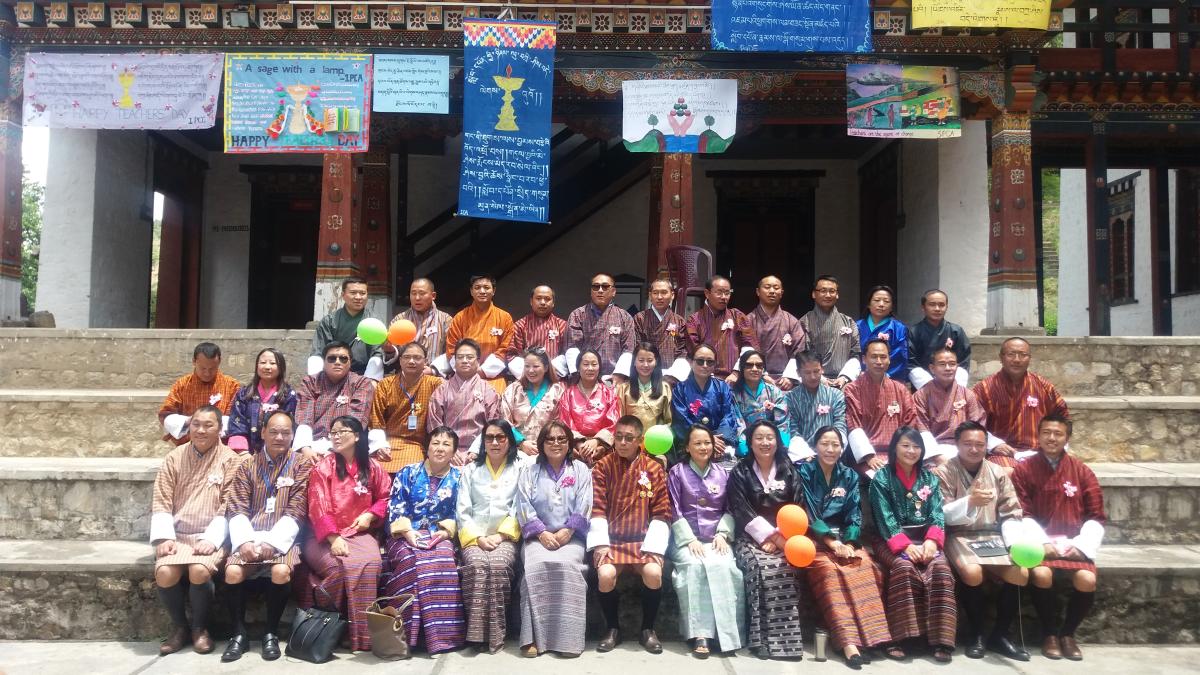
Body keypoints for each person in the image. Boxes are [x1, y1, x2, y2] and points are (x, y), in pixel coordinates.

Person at [933, 421, 1031, 662]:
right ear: (956, 444)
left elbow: (1011, 511)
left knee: (1021, 573)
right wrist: (969, 502)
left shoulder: (998, 473)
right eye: (968, 444)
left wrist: (1013, 543)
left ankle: (1000, 635)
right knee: (972, 573)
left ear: (987, 446)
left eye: (980, 444)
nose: (974, 449)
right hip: (959, 534)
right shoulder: (944, 472)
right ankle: (976, 633)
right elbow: (939, 512)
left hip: (992, 535)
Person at [1011, 415, 1106, 662]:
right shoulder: (1023, 470)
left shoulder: (1082, 471)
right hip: (1041, 541)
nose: (1051, 438)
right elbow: (1023, 511)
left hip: (1074, 542)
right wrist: (1042, 543)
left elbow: (1096, 515)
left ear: (1067, 438)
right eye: (1046, 433)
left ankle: (1068, 634)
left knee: (1086, 579)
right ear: (1038, 435)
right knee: (1042, 575)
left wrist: (1082, 547)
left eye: (1058, 434)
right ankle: (1050, 633)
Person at [221, 410, 313, 662]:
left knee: (281, 572)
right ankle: (238, 633)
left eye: (285, 432)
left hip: (284, 537)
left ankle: (270, 632)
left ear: (293, 435)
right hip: (250, 534)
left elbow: (298, 508)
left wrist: (274, 543)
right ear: (262, 433)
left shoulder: (301, 465)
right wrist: (244, 541)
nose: (279, 437)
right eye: (273, 431)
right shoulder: (247, 465)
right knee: (232, 572)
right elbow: (236, 506)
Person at [797, 426, 892, 669]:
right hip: (815, 539)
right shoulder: (804, 472)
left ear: (842, 448)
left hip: (843, 539)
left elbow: (854, 514)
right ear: (815, 446)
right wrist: (832, 542)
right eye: (824, 444)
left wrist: (849, 542)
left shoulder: (849, 475)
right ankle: (848, 642)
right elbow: (808, 512)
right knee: (830, 573)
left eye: (835, 444)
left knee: (865, 566)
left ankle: (872, 637)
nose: (830, 449)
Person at [150, 405, 240, 656]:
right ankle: (179, 627)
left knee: (199, 571)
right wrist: (164, 537)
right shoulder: (174, 457)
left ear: (220, 430)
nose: (201, 430)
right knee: (165, 573)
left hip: (210, 536)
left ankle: (200, 628)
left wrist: (212, 539)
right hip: (178, 535)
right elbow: (162, 498)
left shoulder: (231, 459)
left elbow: (229, 505)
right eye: (196, 424)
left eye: (208, 425)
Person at [298, 415, 391, 652]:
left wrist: (370, 515)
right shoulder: (323, 467)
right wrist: (333, 537)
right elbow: (318, 507)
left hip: (359, 533)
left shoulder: (373, 467)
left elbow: (385, 497)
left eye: (343, 431)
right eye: (334, 432)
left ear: (357, 436)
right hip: (323, 536)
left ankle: (360, 634)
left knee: (371, 563)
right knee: (339, 568)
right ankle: (331, 627)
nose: (337, 436)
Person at [868, 427, 956, 662]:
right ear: (895, 447)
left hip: (925, 538)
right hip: (890, 539)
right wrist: (905, 546)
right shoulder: (882, 478)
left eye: (916, 446)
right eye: (905, 445)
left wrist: (931, 541)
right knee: (904, 568)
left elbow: (937, 513)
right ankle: (901, 636)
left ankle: (940, 639)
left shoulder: (930, 479)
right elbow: (884, 518)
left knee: (940, 568)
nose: (911, 451)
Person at [587, 416, 672, 654]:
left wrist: (654, 547)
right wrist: (601, 545)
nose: (623, 443)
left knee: (654, 573)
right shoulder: (602, 466)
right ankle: (613, 629)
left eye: (629, 438)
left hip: (643, 541)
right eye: (619, 437)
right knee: (605, 575)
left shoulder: (654, 468)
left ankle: (648, 629)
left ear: (640, 441)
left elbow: (662, 510)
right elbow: (597, 507)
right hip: (612, 541)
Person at [726, 420, 806, 659]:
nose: (765, 442)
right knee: (759, 568)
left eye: (769, 437)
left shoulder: (788, 469)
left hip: (785, 538)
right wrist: (768, 536)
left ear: (777, 441)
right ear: (749, 442)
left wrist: (780, 538)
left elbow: (798, 506)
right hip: (750, 538)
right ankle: (759, 641)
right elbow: (740, 509)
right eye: (758, 438)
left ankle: (787, 643)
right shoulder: (740, 471)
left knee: (784, 569)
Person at [383, 426, 466, 654]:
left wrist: (447, 532)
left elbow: (462, 511)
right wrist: (407, 533)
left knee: (444, 561)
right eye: (435, 443)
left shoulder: (460, 478)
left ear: (454, 451)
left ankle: (442, 637)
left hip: (439, 535)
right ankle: (407, 634)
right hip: (404, 534)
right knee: (411, 561)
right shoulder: (407, 472)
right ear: (427, 447)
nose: (440, 448)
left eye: (446, 444)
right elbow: (395, 506)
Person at [514, 421, 593, 658]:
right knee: (535, 568)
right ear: (541, 444)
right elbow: (522, 504)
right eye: (550, 439)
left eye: (561, 439)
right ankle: (532, 638)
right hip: (538, 538)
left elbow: (585, 503)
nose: (556, 443)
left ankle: (567, 639)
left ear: (569, 443)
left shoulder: (580, 469)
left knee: (568, 567)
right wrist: (541, 532)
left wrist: (568, 531)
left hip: (571, 538)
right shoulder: (530, 470)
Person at [667, 425, 745, 657]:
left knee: (724, 566)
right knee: (693, 567)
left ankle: (725, 635)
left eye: (707, 442)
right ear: (687, 447)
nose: (703, 447)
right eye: (697, 443)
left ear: (714, 446)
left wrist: (722, 534)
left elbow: (731, 507)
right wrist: (688, 539)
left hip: (716, 538)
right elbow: (673, 508)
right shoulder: (677, 472)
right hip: (687, 540)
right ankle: (700, 634)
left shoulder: (723, 473)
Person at [456, 420, 523, 653]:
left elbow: (519, 506)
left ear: (509, 441)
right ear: (483, 442)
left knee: (497, 565)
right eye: (489, 437)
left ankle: (496, 634)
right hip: (476, 536)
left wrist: (502, 535)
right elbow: (462, 509)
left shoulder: (521, 467)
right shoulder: (471, 469)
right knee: (476, 564)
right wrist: (477, 537)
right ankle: (475, 635)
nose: (495, 442)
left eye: (501, 437)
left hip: (504, 537)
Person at [973, 337, 1070, 469]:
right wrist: (994, 445)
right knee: (1008, 473)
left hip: (1040, 451)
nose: (1017, 360)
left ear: (1029, 358)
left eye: (1023, 355)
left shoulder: (1043, 386)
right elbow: (973, 424)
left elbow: (1062, 416)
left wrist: (1057, 443)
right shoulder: (984, 388)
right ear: (1001, 358)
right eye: (1011, 354)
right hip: (1003, 454)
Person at [845, 339, 918, 475]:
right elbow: (853, 425)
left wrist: (901, 453)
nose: (879, 361)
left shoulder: (900, 389)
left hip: (897, 453)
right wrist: (869, 456)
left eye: (883, 357)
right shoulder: (852, 389)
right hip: (868, 455)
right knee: (881, 479)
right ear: (864, 359)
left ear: (889, 360)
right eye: (874, 357)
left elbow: (910, 423)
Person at [369, 342, 443, 473]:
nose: (412, 361)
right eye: (407, 357)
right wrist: (379, 445)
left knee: (410, 473)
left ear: (425, 361)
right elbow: (376, 419)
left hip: (416, 444)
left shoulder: (435, 384)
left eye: (417, 357)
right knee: (376, 473)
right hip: (388, 442)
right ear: (400, 360)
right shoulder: (386, 384)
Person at [426, 338, 501, 464]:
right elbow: (434, 423)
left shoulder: (488, 390)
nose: (465, 361)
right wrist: (448, 449)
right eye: (460, 357)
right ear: (454, 361)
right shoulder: (442, 389)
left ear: (478, 361)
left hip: (479, 451)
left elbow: (493, 425)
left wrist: (477, 450)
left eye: (469, 357)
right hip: (445, 451)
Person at [295, 341, 376, 455]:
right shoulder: (310, 382)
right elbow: (304, 417)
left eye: (343, 359)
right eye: (332, 358)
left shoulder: (361, 383)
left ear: (350, 362)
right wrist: (305, 448)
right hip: (312, 444)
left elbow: (356, 420)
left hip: (347, 448)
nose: (337, 362)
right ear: (324, 361)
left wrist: (335, 450)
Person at [158, 342, 240, 446]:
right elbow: (165, 414)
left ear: (219, 362)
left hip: (220, 446)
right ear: (194, 361)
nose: (207, 373)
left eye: (212, 369)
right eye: (203, 368)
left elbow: (235, 418)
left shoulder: (232, 386)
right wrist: (189, 421)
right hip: (188, 445)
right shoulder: (182, 385)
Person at [914, 348, 986, 465]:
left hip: (964, 450)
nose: (948, 368)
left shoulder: (967, 394)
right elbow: (921, 429)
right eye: (942, 364)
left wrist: (968, 452)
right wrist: (936, 456)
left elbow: (977, 426)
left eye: (952, 364)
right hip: (933, 453)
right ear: (932, 368)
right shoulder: (921, 395)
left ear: (957, 366)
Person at [444, 275, 514, 394]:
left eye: (486, 287)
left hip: (493, 376)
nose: (482, 291)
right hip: (464, 374)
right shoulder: (460, 317)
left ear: (494, 291)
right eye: (477, 287)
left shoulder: (504, 317)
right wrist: (467, 371)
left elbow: (505, 349)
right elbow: (452, 348)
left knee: (495, 399)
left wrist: (483, 371)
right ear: (471, 291)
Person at [670, 345, 739, 465]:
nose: (705, 365)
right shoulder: (680, 390)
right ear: (691, 362)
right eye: (700, 361)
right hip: (691, 445)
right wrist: (708, 440)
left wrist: (718, 441)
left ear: (715, 364)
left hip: (720, 445)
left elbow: (729, 416)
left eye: (710, 362)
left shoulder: (723, 387)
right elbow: (681, 420)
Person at [684, 275, 759, 381]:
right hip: (704, 379)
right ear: (707, 293)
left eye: (727, 293)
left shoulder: (737, 316)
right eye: (719, 292)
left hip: (734, 379)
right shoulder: (694, 320)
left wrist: (736, 372)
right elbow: (694, 351)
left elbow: (749, 346)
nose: (724, 297)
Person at [308, 277, 384, 380]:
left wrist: (370, 381)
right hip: (334, 375)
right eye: (353, 293)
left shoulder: (375, 322)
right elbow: (318, 352)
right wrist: (315, 380)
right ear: (343, 295)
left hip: (363, 375)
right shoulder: (329, 321)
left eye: (362, 293)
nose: (358, 297)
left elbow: (378, 353)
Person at [565, 273, 636, 382]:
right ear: (591, 291)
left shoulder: (625, 317)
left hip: (614, 378)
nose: (600, 290)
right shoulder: (577, 315)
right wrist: (579, 375)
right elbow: (573, 347)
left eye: (605, 286)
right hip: (584, 378)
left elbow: (628, 349)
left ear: (613, 292)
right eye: (596, 287)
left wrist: (619, 374)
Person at [227, 348, 298, 454]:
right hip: (246, 454)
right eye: (263, 363)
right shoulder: (244, 394)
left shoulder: (288, 395)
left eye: (273, 363)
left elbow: (289, 427)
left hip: (279, 453)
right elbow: (237, 424)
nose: (267, 367)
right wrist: (243, 453)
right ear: (257, 366)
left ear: (281, 367)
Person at [501, 347, 566, 464]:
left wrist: (546, 444)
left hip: (549, 448)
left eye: (535, 366)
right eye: (527, 366)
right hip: (517, 448)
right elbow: (504, 421)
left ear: (546, 367)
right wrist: (521, 442)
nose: (531, 371)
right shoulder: (513, 389)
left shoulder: (557, 390)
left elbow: (561, 423)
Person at [557, 349, 620, 466]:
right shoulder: (568, 394)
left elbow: (613, 423)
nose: (590, 368)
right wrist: (580, 444)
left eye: (594, 364)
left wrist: (597, 442)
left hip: (603, 450)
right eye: (585, 364)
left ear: (599, 367)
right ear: (578, 367)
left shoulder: (609, 393)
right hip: (575, 450)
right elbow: (564, 423)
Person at [797, 275, 861, 388]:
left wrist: (844, 377)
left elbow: (855, 355)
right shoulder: (804, 322)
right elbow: (802, 356)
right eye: (823, 291)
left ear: (837, 295)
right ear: (813, 294)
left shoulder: (848, 322)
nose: (828, 295)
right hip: (813, 381)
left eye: (832, 291)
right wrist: (819, 377)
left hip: (844, 382)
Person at [784, 351, 847, 462]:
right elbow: (792, 429)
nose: (813, 377)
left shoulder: (836, 395)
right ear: (798, 372)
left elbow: (840, 424)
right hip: (804, 456)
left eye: (816, 371)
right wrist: (805, 454)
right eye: (807, 373)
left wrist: (832, 449)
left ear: (822, 369)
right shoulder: (791, 398)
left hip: (832, 453)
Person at [749, 275, 806, 390]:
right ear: (758, 292)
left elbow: (800, 351)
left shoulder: (791, 321)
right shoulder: (748, 320)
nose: (772, 291)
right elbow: (745, 350)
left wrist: (790, 377)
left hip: (785, 382)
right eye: (767, 287)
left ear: (781, 293)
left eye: (776, 288)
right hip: (755, 379)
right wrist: (761, 375)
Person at [731, 350, 790, 458]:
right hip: (746, 442)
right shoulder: (735, 394)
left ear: (763, 369)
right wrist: (745, 447)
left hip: (771, 442)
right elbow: (737, 423)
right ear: (742, 368)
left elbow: (782, 423)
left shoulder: (774, 392)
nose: (754, 369)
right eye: (749, 365)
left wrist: (781, 445)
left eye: (759, 365)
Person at [907, 289, 970, 390]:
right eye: (932, 304)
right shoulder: (914, 332)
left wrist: (954, 386)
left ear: (946, 307)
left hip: (952, 387)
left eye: (941, 305)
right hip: (923, 387)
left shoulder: (956, 331)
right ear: (923, 307)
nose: (937, 309)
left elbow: (963, 361)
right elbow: (910, 362)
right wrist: (929, 385)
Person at [388, 278, 452, 375]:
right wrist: (389, 351)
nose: (417, 298)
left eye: (422, 293)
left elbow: (452, 353)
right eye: (413, 293)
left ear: (433, 296)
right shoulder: (399, 320)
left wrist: (433, 370)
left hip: (434, 378)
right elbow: (391, 356)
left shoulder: (446, 320)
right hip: (405, 377)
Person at [632, 278, 690, 381]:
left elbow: (683, 350)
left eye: (664, 292)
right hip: (645, 372)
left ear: (672, 295)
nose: (659, 297)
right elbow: (637, 345)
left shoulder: (679, 321)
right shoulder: (640, 318)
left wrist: (674, 372)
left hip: (672, 374)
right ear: (650, 295)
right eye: (655, 293)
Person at [506, 285, 569, 378]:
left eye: (547, 299)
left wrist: (549, 372)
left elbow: (567, 354)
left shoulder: (563, 325)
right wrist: (530, 374)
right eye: (538, 298)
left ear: (553, 303)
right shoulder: (520, 325)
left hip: (556, 377)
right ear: (531, 301)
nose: (543, 302)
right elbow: (512, 355)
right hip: (527, 378)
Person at [614, 342, 673, 435]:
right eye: (641, 360)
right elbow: (619, 419)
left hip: (656, 442)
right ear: (634, 362)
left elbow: (668, 421)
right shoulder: (624, 389)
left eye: (650, 360)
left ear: (656, 361)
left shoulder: (665, 388)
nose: (645, 365)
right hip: (630, 442)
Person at [856, 285, 908, 383]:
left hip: (888, 378)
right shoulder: (857, 326)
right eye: (877, 300)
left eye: (886, 301)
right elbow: (853, 353)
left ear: (892, 306)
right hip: (859, 377)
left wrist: (881, 374)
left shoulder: (899, 328)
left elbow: (899, 356)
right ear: (868, 304)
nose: (881, 304)